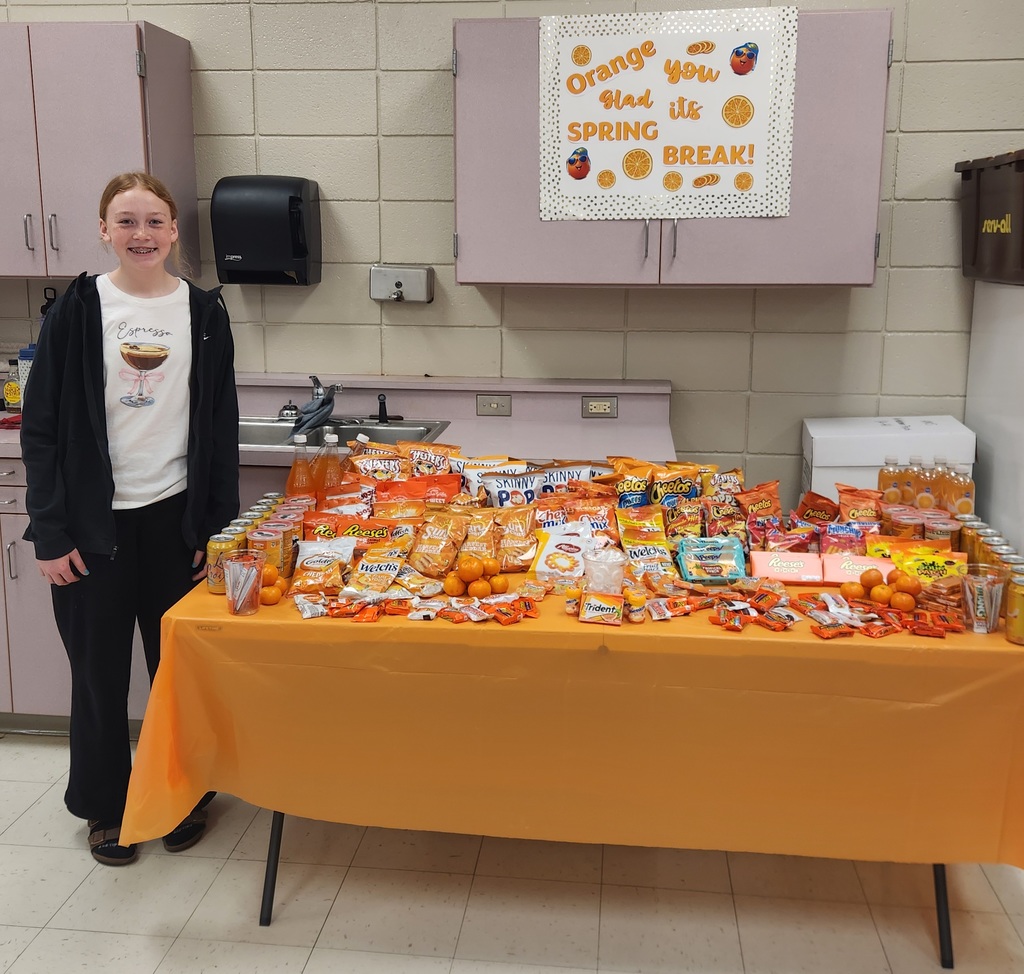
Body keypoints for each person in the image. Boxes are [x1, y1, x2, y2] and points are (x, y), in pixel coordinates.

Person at [21, 172, 239, 865]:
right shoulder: (80, 311)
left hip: (174, 524)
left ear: (174, 232)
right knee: (99, 675)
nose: (140, 234)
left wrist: (215, 528)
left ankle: (179, 795)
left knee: (177, 674)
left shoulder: (203, 313)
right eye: (126, 221)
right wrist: (50, 533)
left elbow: (220, 425)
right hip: (93, 530)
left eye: (153, 221)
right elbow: (43, 428)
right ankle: (106, 808)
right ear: (103, 229)